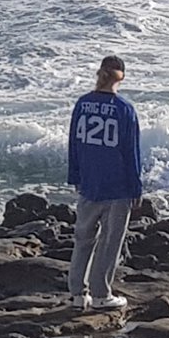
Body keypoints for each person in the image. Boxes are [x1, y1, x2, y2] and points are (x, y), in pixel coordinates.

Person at [66, 54, 142, 310]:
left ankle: (77, 294)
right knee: (110, 243)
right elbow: (130, 153)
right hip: (116, 187)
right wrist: (136, 187)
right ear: (122, 76)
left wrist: (75, 175)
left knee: (83, 238)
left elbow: (73, 144)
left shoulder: (82, 104)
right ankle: (101, 294)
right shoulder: (124, 110)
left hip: (89, 183)